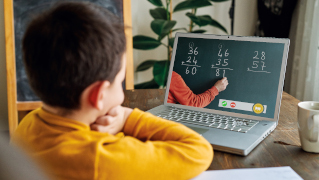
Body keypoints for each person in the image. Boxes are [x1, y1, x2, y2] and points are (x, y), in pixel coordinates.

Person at [12, 2, 213, 180]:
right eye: (120, 80)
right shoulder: (101, 159)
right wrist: (126, 118)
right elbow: (198, 151)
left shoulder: (27, 125)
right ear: (98, 96)